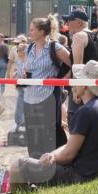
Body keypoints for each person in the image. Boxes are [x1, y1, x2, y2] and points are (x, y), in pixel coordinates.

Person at [8, 61, 98, 188]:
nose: (73, 84)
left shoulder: (86, 111)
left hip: (82, 178)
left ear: (86, 85)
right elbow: (71, 144)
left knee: (18, 166)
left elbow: (68, 155)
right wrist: (52, 155)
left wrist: (51, 159)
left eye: (77, 80)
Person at [23, 15, 72, 159]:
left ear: (42, 31)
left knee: (51, 132)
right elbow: (29, 69)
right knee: (33, 133)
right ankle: (34, 164)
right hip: (29, 96)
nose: (29, 32)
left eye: (32, 30)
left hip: (49, 95)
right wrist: (24, 75)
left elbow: (75, 65)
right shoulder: (30, 47)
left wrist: (62, 80)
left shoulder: (55, 47)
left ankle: (60, 161)